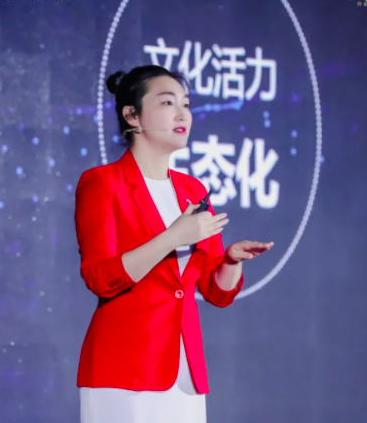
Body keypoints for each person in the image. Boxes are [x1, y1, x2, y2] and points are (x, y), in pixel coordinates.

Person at [74, 65, 273, 423]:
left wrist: (231, 261)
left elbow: (215, 293)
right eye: (167, 103)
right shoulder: (102, 182)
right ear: (131, 116)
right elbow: (99, 277)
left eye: (186, 104)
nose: (183, 114)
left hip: (185, 374)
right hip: (123, 370)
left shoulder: (193, 190)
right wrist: (172, 238)